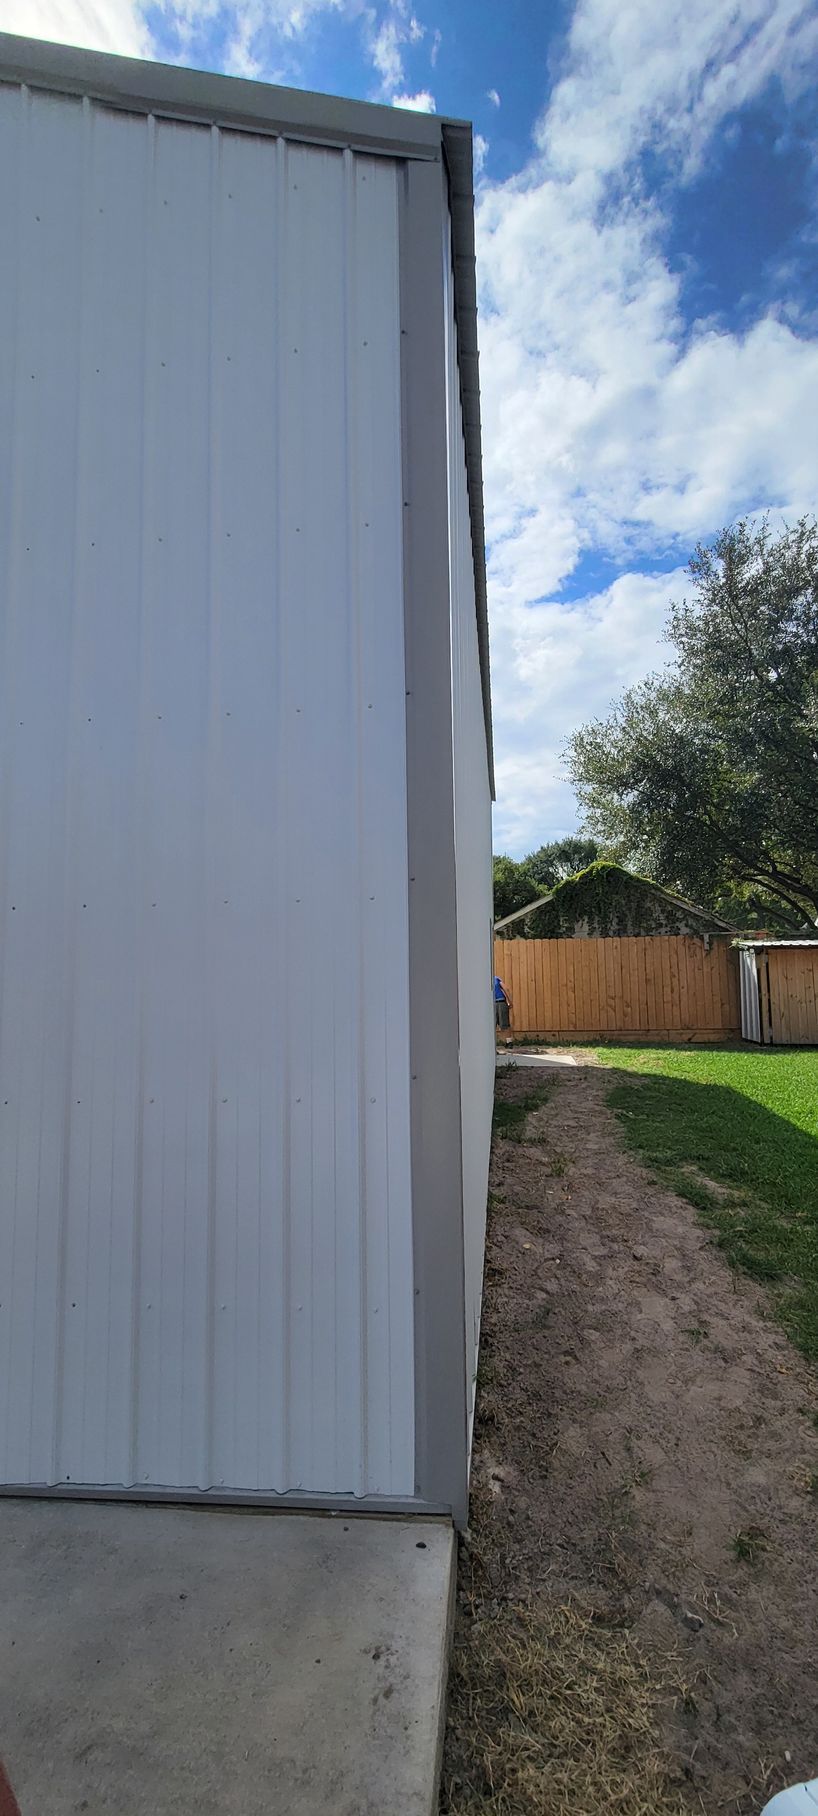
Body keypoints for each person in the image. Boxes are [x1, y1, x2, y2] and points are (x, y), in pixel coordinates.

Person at [494, 974, 512, 1043]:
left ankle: (492, 1045)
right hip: (501, 1002)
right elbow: (506, 989)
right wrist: (510, 1002)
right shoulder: (497, 979)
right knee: (505, 1024)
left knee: (492, 1025)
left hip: (491, 1004)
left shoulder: (484, 981)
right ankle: (509, 1042)